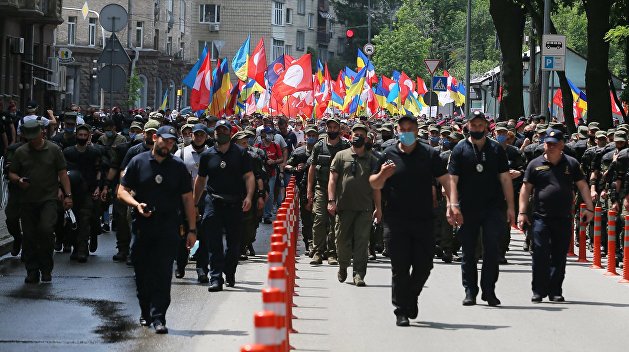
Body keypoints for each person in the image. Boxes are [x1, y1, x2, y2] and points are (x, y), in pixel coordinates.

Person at [369, 115, 452, 327]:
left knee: (425, 266)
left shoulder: (429, 154)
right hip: (396, 220)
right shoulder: (388, 154)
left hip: (423, 219)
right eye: (402, 128)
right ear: (397, 130)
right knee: (400, 266)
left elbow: (445, 180)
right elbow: (374, 183)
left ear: (416, 131)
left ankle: (411, 296)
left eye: (410, 128)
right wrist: (383, 175)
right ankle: (400, 310)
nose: (406, 132)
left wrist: (453, 204)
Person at [117, 125, 197, 334]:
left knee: (162, 273)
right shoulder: (138, 161)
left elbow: (188, 199)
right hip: (142, 226)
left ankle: (159, 316)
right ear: (155, 138)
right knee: (142, 272)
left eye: (172, 142)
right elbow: (121, 191)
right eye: (165, 140)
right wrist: (136, 205)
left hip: (168, 226)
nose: (169, 145)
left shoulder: (178, 167)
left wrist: (192, 229)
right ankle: (145, 311)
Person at [448, 111, 515, 307]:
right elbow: (453, 179)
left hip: (493, 207)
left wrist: (511, 207)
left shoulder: (496, 149)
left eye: (480, 125)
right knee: (469, 251)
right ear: (468, 126)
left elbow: (505, 178)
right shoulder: (460, 149)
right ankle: (470, 291)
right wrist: (453, 205)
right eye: (474, 125)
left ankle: (489, 291)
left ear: (486, 126)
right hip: (467, 207)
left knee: (492, 250)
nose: (477, 129)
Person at [518, 128, 594, 302]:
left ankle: (555, 291)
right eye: (547, 143)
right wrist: (522, 212)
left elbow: (582, 186)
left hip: (563, 217)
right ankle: (538, 290)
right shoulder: (535, 164)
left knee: (559, 255)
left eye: (554, 144)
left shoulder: (572, 164)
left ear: (561, 145)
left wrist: (589, 208)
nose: (550, 147)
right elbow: (525, 189)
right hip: (540, 217)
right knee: (540, 253)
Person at [193, 120, 255, 292]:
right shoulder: (207, 155)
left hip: (235, 203)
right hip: (213, 202)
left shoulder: (241, 154)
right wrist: (194, 203)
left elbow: (249, 177)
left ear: (230, 133)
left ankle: (230, 271)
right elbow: (200, 181)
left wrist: (249, 197)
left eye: (224, 130)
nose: (220, 133)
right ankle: (216, 278)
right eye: (218, 130)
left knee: (234, 245)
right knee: (214, 244)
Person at [8, 120, 73, 283]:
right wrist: (19, 180)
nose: (32, 140)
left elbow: (63, 173)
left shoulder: (53, 150)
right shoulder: (21, 152)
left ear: (41, 133)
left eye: (34, 136)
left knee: (45, 231)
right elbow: (12, 173)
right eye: (28, 137)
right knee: (29, 236)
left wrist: (68, 195)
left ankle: (46, 268)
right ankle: (32, 270)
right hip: (27, 201)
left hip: (48, 199)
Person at [328, 123, 380, 287]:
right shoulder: (341, 156)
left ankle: (359, 274)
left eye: (361, 135)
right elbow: (332, 180)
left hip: (364, 208)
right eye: (355, 134)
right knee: (342, 241)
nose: (358, 137)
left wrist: (378, 208)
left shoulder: (372, 159)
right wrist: (331, 201)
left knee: (362, 242)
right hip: (344, 207)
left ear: (366, 139)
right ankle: (343, 266)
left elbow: (376, 186)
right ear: (350, 136)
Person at [307, 117, 351, 265]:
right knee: (319, 219)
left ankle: (332, 252)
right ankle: (318, 252)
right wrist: (309, 190)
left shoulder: (345, 145)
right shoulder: (319, 146)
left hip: (339, 190)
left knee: (335, 222)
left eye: (335, 127)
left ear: (339, 129)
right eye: (329, 127)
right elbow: (312, 169)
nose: (332, 130)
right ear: (326, 128)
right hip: (321, 187)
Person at [173, 123, 210, 282]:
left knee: (204, 235)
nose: (199, 137)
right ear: (191, 135)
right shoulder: (181, 153)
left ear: (206, 136)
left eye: (202, 134)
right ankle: (180, 265)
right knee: (183, 233)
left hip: (206, 199)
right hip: (184, 199)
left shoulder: (211, 154)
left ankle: (202, 269)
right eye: (196, 134)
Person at [62, 124, 102, 262]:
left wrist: (98, 187)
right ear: (76, 136)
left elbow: (98, 171)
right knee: (72, 220)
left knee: (86, 218)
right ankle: (75, 246)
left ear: (89, 136)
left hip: (88, 191)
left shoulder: (94, 153)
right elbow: (61, 172)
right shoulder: (68, 153)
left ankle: (82, 248)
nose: (83, 138)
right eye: (80, 135)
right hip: (71, 191)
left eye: (85, 135)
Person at [232, 130, 267, 260]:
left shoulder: (253, 157)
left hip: (249, 195)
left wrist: (261, 196)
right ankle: (238, 248)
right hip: (233, 195)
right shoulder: (229, 156)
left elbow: (259, 178)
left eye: (246, 143)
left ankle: (246, 243)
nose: (245, 145)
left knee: (250, 224)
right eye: (242, 143)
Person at [285, 126, 318, 254]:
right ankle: (309, 243)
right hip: (304, 188)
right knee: (307, 218)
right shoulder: (299, 152)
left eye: (313, 135)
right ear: (305, 136)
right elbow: (287, 166)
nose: (311, 137)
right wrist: (296, 169)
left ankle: (319, 244)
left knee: (319, 218)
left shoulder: (322, 151)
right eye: (309, 135)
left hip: (320, 187)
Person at [256, 127, 283, 224]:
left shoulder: (275, 145)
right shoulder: (258, 146)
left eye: (272, 133)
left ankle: (266, 215)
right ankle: (259, 213)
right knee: (260, 192)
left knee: (270, 193)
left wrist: (274, 161)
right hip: (260, 174)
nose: (270, 135)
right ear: (263, 134)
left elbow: (281, 158)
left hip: (271, 173)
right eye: (268, 133)